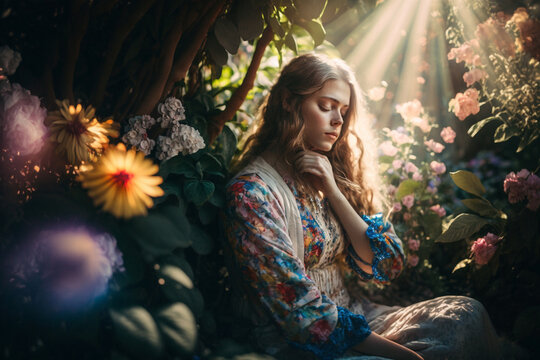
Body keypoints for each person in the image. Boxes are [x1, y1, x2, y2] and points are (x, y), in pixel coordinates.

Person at [223, 53, 501, 360]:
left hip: (357, 316)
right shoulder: (250, 194)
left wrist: (333, 192)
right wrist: (406, 356)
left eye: (342, 110)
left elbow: (387, 263)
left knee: (465, 315)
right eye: (326, 106)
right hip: (302, 340)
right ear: (288, 101)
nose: (338, 121)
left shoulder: (326, 172)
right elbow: (301, 313)